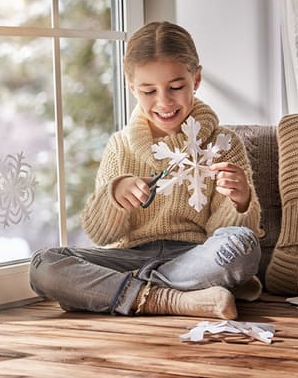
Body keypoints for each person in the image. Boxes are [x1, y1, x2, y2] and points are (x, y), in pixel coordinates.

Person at [29, 21, 263, 319]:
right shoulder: (120, 146)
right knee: (44, 265)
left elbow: (225, 234)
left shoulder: (223, 142)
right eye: (149, 90)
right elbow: (99, 234)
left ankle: (114, 293)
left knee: (243, 245)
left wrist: (240, 200)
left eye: (176, 87)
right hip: (127, 257)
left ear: (197, 79)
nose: (164, 101)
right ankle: (172, 300)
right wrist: (114, 197)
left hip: (193, 257)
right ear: (131, 88)